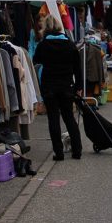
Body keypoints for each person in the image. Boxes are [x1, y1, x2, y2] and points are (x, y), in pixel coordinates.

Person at [32, 15, 83, 161]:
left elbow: (36, 60)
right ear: (59, 26)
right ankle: (77, 150)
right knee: (69, 118)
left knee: (53, 119)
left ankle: (59, 153)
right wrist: (79, 86)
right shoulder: (70, 44)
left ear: (45, 27)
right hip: (67, 85)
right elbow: (77, 68)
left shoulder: (43, 45)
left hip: (49, 86)